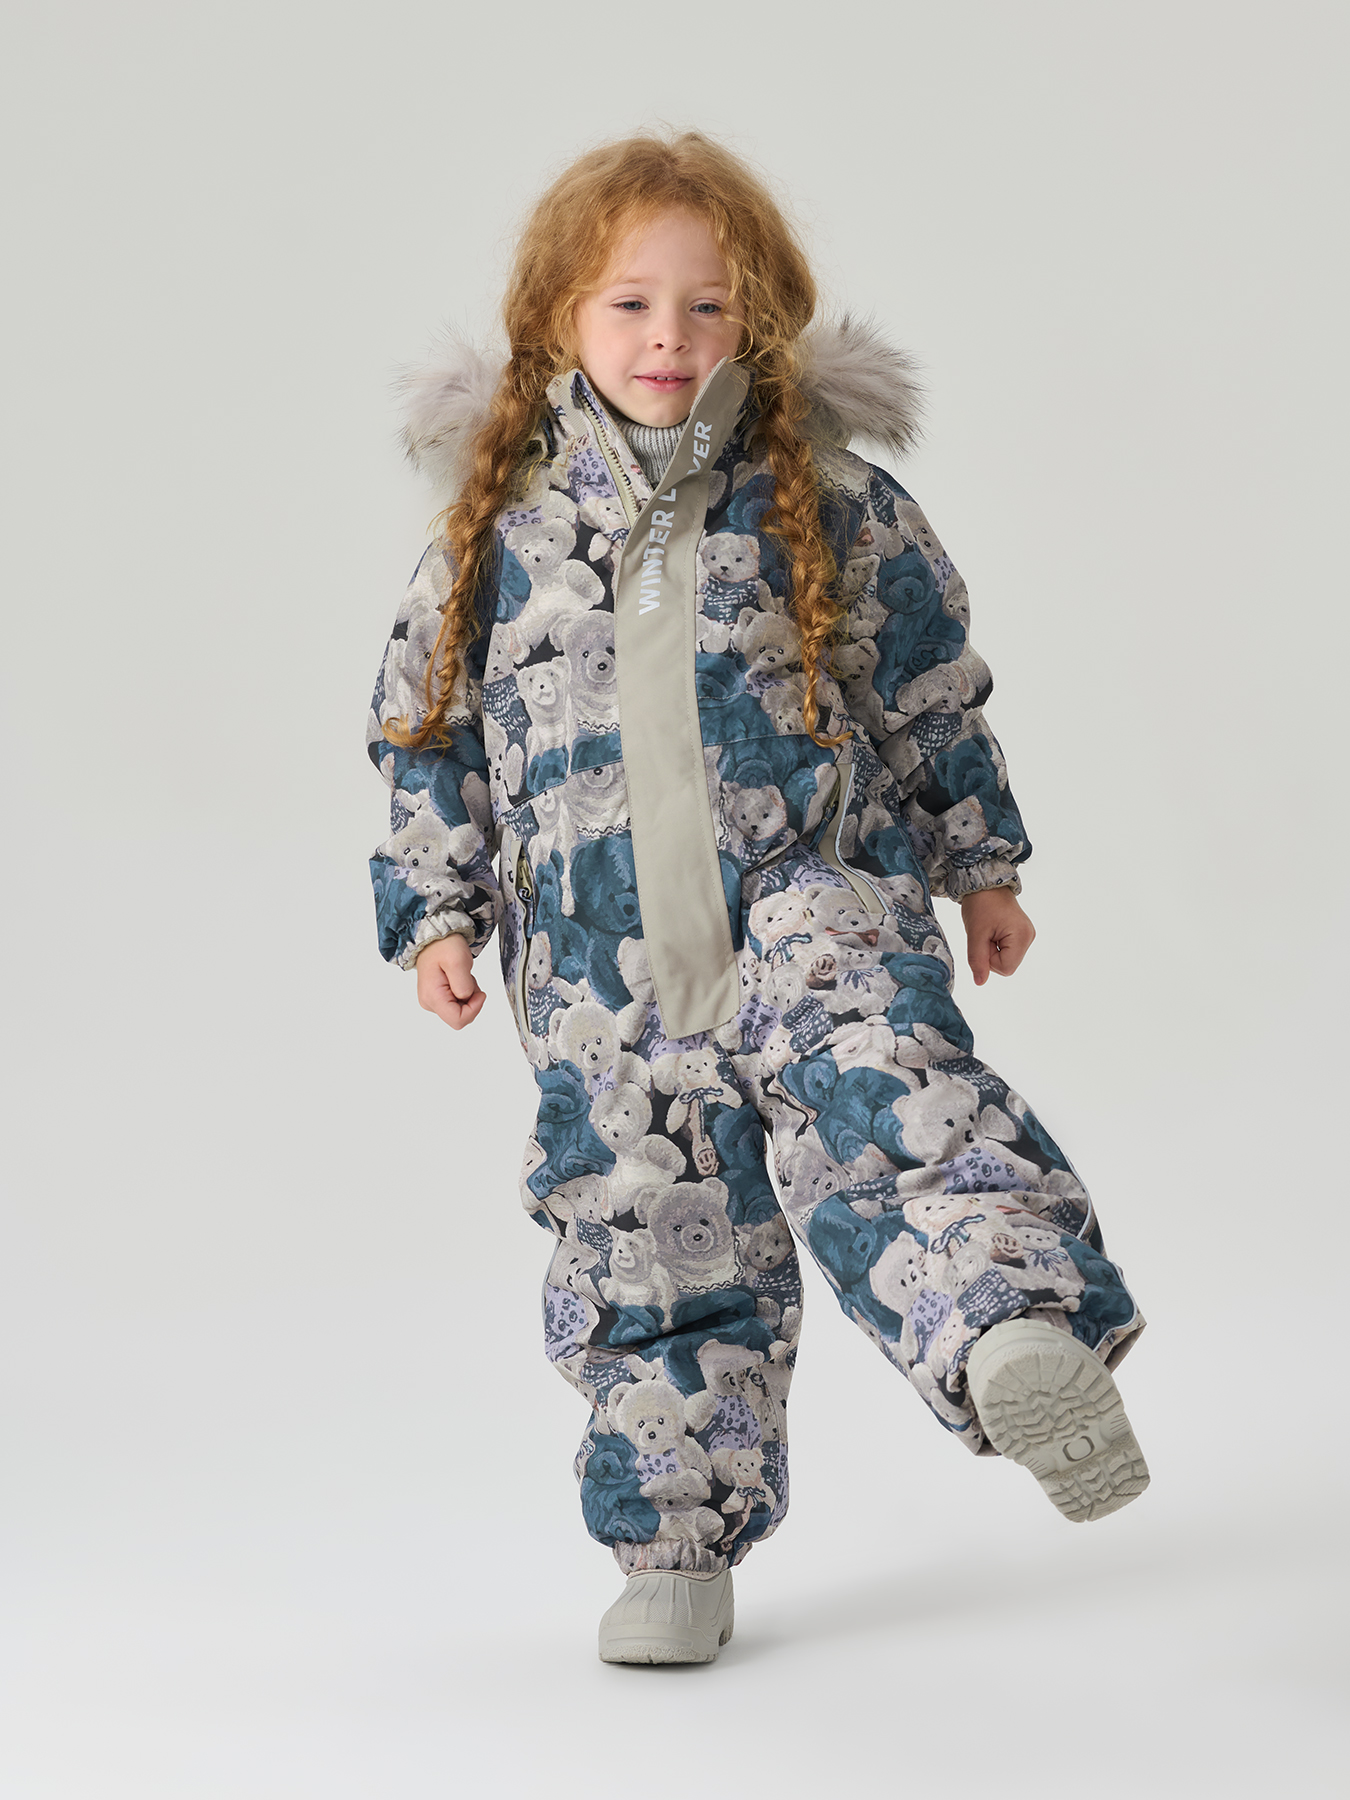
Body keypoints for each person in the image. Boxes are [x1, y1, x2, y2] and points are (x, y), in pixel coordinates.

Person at [366, 130, 1147, 1665]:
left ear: (759, 320)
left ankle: (1008, 1329)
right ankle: (673, 1545)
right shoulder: (500, 535)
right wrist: (437, 911)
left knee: (898, 1114)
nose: (670, 338)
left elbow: (925, 694)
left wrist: (979, 866)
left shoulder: (828, 500)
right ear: (559, 321)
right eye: (630, 305)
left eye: (708, 306)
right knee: (655, 1244)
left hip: (816, 909)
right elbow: (424, 731)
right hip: (599, 976)